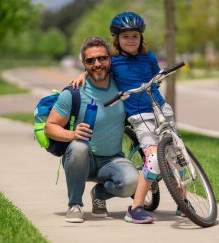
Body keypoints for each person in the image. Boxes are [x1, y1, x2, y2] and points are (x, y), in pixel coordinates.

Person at [70, 12, 191, 224]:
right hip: (139, 114)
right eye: (125, 37)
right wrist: (83, 74)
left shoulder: (149, 57)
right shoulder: (113, 61)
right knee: (154, 159)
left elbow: (155, 79)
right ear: (117, 39)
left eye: (135, 36)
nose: (131, 40)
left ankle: (183, 201)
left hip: (161, 109)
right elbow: (97, 69)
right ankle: (135, 208)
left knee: (176, 156)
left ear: (141, 37)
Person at [45, 36, 139, 223]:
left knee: (132, 182)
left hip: (112, 159)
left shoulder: (121, 84)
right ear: (83, 63)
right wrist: (72, 134)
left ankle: (99, 195)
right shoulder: (73, 92)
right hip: (82, 160)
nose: (97, 64)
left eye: (102, 58)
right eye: (91, 61)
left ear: (109, 59)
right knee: (79, 147)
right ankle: (75, 204)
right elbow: (50, 127)